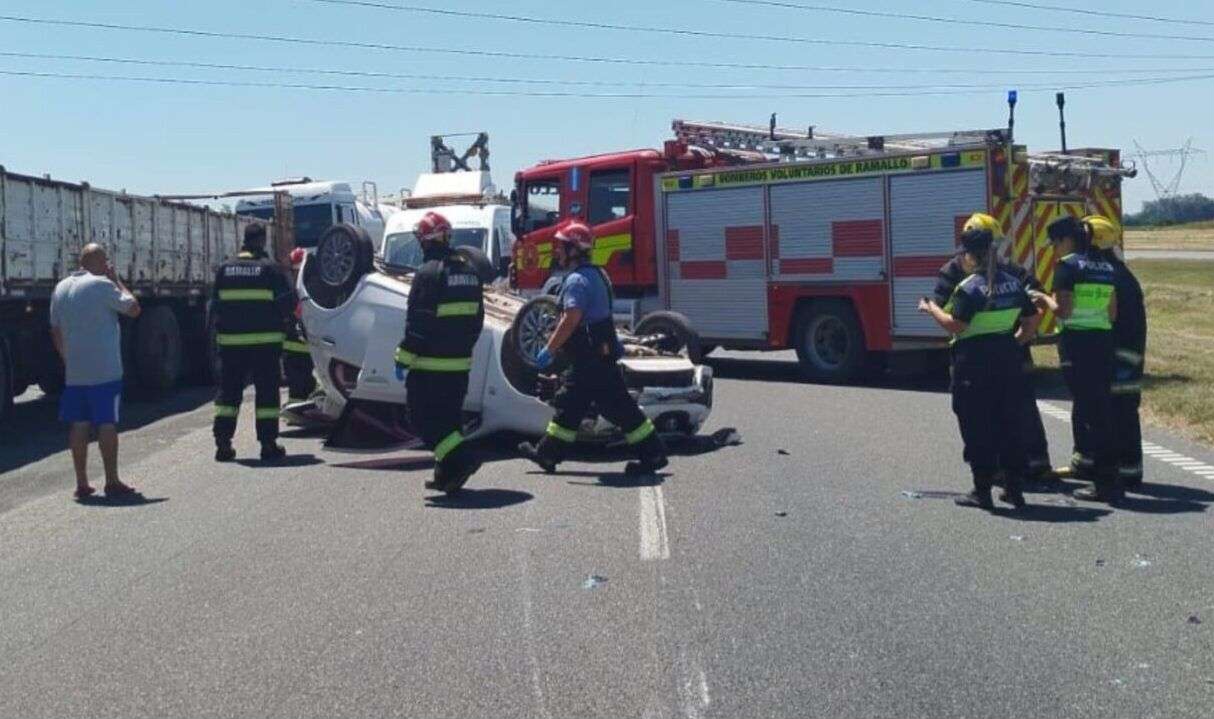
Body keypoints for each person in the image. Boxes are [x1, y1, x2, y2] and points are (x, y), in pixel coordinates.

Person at [517, 220, 669, 476]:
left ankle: (653, 453)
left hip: (589, 358)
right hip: (599, 353)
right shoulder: (599, 274)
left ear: (574, 250)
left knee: (601, 406)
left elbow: (571, 319)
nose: (557, 251)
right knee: (580, 405)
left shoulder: (577, 281)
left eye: (561, 247)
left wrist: (549, 349)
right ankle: (548, 454)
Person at [918, 221, 1040, 510]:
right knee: (1009, 423)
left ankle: (981, 491)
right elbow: (1032, 319)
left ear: (970, 256)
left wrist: (930, 307)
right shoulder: (1013, 282)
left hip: (973, 364)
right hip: (1008, 360)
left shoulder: (969, 287)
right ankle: (1014, 489)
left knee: (977, 427)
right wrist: (1014, 342)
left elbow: (955, 325)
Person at [393, 211, 485, 494]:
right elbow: (478, 319)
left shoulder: (429, 272)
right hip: (460, 364)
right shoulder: (470, 271)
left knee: (422, 420)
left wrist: (404, 357)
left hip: (429, 367)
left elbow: (419, 322)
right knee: (449, 421)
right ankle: (447, 476)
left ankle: (463, 457)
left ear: (425, 240)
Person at [1034, 215, 1121, 503]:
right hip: (1103, 342)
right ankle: (1109, 475)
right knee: (1102, 410)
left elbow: (1064, 311)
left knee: (1089, 412)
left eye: (1054, 244)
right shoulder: (1106, 266)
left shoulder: (1067, 266)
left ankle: (1103, 483)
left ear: (1065, 240)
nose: (1053, 249)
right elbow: (1112, 313)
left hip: (1077, 344)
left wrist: (1043, 298)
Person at [49, 243, 143, 499]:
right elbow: (134, 309)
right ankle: (112, 480)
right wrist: (117, 280)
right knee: (106, 422)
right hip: (105, 370)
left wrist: (67, 359)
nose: (108, 266)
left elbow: (55, 330)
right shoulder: (101, 285)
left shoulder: (61, 287)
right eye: (106, 261)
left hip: (75, 371)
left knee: (79, 424)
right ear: (99, 262)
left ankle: (82, 483)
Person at [211, 223, 295, 462]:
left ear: (244, 240)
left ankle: (223, 444)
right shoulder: (270, 269)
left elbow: (215, 306)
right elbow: (287, 304)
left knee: (228, 394)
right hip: (265, 346)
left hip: (231, 346)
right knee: (267, 394)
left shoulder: (225, 269)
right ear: (262, 240)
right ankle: (268, 445)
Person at [1087, 215, 1147, 489]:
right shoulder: (1120, 272)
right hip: (1129, 352)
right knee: (1125, 410)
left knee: (1117, 412)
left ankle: (1122, 472)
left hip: (1118, 354)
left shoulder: (1109, 276)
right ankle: (1129, 469)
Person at [282, 248, 317, 405]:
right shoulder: (307, 287)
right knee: (299, 382)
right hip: (298, 347)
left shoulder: (304, 289)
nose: (295, 274)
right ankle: (299, 405)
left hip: (303, 347)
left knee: (303, 382)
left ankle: (301, 405)